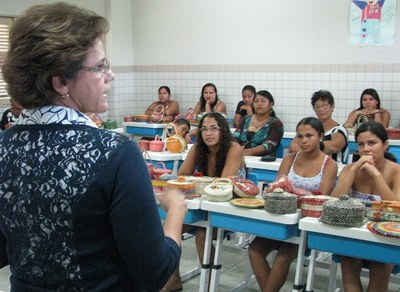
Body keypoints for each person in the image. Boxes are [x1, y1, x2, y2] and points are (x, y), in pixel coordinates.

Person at [0, 3, 187, 291]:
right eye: (100, 67)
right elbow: (154, 272)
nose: (111, 76)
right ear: (62, 81)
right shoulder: (114, 153)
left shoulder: (4, 146)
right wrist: (175, 211)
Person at [248, 117, 338, 292]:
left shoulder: (329, 164)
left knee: (282, 257)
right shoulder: (289, 159)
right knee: (254, 250)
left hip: (307, 224)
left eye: (309, 136)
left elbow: (320, 199)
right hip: (283, 218)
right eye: (300, 136)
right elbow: (276, 188)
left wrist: (291, 190)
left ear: (320, 136)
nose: (303, 140)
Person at [163, 112, 244, 291]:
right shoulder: (198, 148)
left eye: (214, 128)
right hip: (204, 204)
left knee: (202, 235)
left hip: (228, 206)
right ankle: (173, 279)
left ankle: (209, 282)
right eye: (204, 129)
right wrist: (200, 183)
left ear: (223, 130)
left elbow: (224, 184)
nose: (209, 133)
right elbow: (183, 175)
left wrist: (198, 182)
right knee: (168, 231)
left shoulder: (234, 148)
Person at [331, 121, 400, 292]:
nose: (366, 149)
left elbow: (396, 209)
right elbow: (332, 202)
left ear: (385, 145)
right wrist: (354, 170)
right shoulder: (350, 169)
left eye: (372, 143)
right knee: (349, 262)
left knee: (380, 265)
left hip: (385, 238)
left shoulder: (395, 171)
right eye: (361, 144)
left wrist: (376, 174)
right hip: (354, 233)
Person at [289, 90, 348, 164]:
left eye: (325, 105)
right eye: (317, 107)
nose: (321, 109)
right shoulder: (309, 127)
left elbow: (333, 146)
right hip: (309, 167)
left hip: (334, 169)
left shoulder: (339, 130)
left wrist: (306, 147)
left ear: (332, 106)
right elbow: (294, 145)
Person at [233, 90, 284, 156]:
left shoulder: (276, 123)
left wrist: (245, 152)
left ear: (271, 104)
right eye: (256, 101)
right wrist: (235, 148)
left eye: (263, 101)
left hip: (262, 161)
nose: (259, 104)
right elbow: (235, 136)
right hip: (241, 158)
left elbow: (269, 145)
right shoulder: (246, 119)